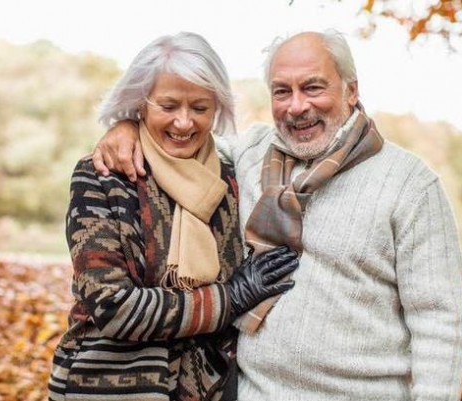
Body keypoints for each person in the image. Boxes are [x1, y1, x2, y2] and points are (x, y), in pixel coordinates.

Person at [92, 30, 462, 401]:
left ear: (351, 91)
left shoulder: (409, 184)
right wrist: (127, 127)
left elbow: (439, 322)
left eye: (313, 87)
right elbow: (180, 138)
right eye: (282, 91)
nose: (297, 106)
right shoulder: (250, 154)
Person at [48, 32, 299, 401]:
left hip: (208, 388)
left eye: (199, 108)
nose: (184, 123)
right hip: (107, 386)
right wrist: (230, 297)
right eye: (168, 106)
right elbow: (112, 306)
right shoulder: (102, 176)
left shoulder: (232, 178)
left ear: (217, 108)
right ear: (141, 102)